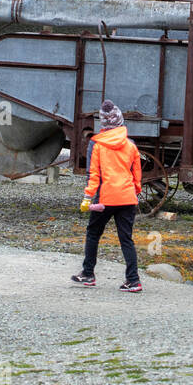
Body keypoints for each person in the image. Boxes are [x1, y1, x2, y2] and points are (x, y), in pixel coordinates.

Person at [71, 100, 144, 292]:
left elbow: (93, 174)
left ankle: (88, 274)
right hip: (127, 198)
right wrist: (135, 191)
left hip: (106, 198)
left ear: (103, 123)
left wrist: (88, 197)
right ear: (120, 120)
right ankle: (133, 280)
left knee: (93, 233)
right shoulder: (131, 144)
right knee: (126, 239)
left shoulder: (96, 144)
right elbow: (137, 173)